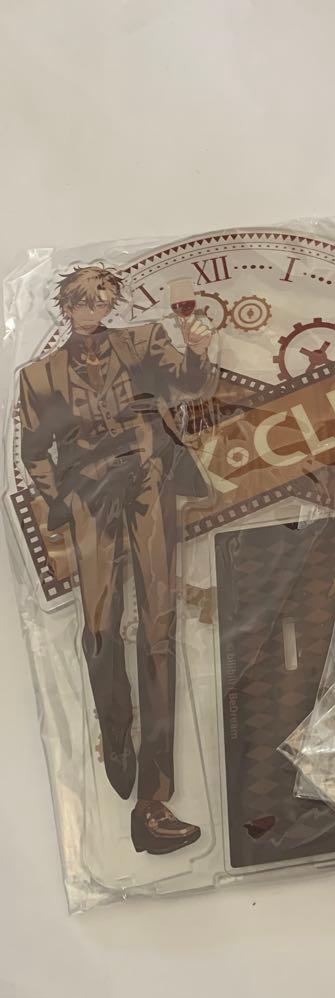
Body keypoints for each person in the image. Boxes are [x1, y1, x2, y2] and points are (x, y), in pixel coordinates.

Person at [19, 266, 215, 855]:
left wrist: (197, 349)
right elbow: (35, 450)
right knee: (100, 627)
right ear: (66, 307)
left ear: (111, 304)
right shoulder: (38, 374)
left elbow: (188, 385)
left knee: (158, 626)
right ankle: (118, 749)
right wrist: (63, 500)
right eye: (82, 303)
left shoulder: (144, 340)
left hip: (151, 483)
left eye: (101, 301)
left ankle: (153, 799)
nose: (92, 311)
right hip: (89, 497)